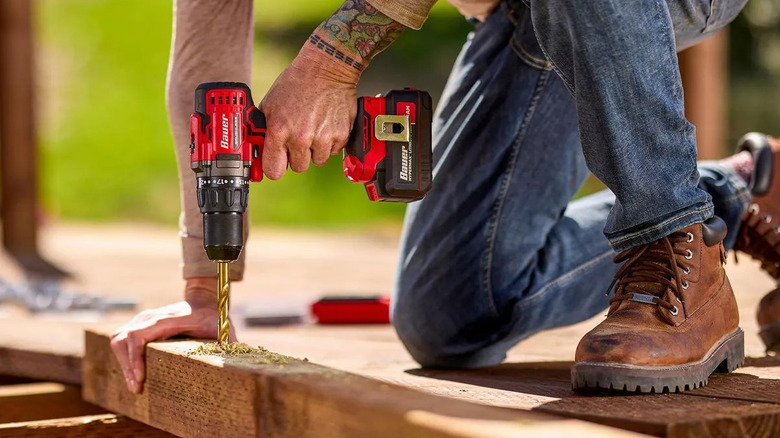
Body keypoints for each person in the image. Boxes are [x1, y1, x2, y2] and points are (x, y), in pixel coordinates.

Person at [111, 0, 780, 394]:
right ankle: (740, 189)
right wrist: (206, 285)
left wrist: (330, 60)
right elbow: (207, 70)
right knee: (452, 316)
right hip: (525, 13)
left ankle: (673, 243)